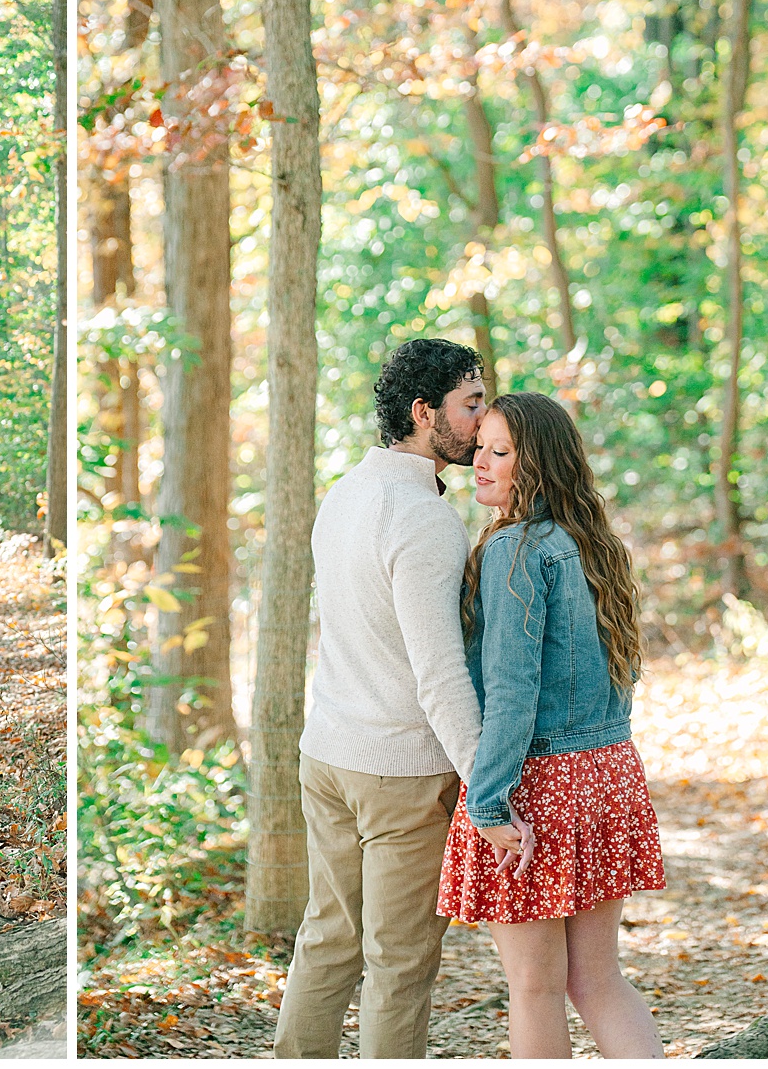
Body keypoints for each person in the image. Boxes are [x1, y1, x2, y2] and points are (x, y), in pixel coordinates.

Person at [275, 339, 489, 1059]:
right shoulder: (425, 519)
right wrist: (485, 784)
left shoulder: (346, 492)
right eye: (471, 403)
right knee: (399, 966)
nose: (483, 420)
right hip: (400, 772)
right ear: (424, 412)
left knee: (329, 940)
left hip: (327, 756)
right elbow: (439, 671)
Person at [437, 392, 666, 1058]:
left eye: (500, 453)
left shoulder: (514, 549)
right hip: (608, 771)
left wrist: (486, 800)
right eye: (480, 447)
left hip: (538, 780)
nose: (480, 463)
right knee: (597, 978)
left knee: (535, 985)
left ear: (539, 465)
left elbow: (511, 690)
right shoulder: (592, 544)